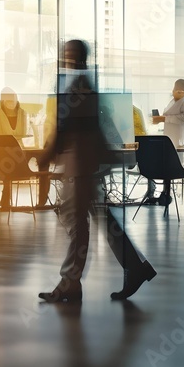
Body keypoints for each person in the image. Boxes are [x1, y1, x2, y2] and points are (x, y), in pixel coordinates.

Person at [37, 40, 156, 303]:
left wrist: (45, 156)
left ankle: (71, 282)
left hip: (80, 165)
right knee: (98, 220)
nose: (65, 58)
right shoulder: (83, 82)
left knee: (77, 224)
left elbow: (67, 125)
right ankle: (134, 268)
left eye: (68, 54)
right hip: (86, 164)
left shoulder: (79, 84)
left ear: (75, 57)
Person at [0, 88, 49, 208]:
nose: (11, 102)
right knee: (7, 160)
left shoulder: (23, 113)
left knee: (44, 162)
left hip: (25, 147)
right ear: (3, 101)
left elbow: (24, 133)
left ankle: (42, 202)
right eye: (8, 99)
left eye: (13, 98)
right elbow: (1, 136)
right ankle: (5, 202)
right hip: (9, 150)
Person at [151, 79, 184, 206]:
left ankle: (167, 192)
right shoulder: (173, 101)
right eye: (174, 88)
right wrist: (160, 119)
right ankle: (164, 192)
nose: (174, 91)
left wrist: (164, 119)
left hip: (178, 139)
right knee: (165, 164)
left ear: (183, 91)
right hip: (168, 137)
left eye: (177, 89)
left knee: (171, 165)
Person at [132, 105, 157, 203]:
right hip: (141, 146)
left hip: (135, 146)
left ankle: (151, 188)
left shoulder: (133, 112)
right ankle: (152, 188)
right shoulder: (136, 111)